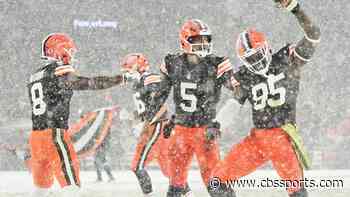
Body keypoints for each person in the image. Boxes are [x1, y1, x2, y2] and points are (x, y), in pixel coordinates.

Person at [211, 0, 321, 196]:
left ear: (267, 48)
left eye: (258, 54)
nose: (256, 61)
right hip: (258, 138)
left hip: (283, 136)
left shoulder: (287, 58)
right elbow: (235, 102)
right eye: (250, 58)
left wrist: (295, 9)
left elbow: (313, 35)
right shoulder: (245, 75)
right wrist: (217, 124)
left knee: (297, 192)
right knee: (216, 183)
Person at [27, 33, 125, 197]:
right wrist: (121, 78)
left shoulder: (34, 75)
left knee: (40, 191)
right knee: (71, 188)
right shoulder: (59, 71)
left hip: (36, 138)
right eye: (69, 51)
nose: (71, 55)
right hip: (54, 135)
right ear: (58, 51)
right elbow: (89, 83)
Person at [154, 19, 238, 197]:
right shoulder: (172, 62)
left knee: (215, 181)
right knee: (176, 183)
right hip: (182, 129)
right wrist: (167, 118)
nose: (204, 44)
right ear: (185, 41)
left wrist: (240, 82)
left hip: (204, 129)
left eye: (206, 39)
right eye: (198, 39)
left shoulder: (216, 63)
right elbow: (159, 96)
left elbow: (234, 86)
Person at [120, 53, 193, 197]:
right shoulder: (138, 83)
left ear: (139, 67)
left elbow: (158, 102)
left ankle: (150, 194)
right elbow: (146, 106)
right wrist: (134, 117)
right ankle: (188, 193)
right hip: (158, 126)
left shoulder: (149, 78)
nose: (127, 74)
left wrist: (147, 122)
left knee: (137, 165)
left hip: (156, 125)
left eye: (129, 69)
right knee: (169, 169)